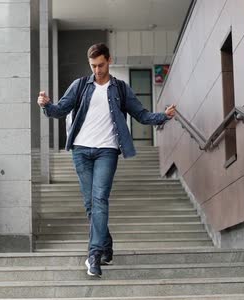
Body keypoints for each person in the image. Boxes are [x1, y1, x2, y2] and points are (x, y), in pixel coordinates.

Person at [37, 43, 176, 278]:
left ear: (109, 60)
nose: (97, 70)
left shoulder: (120, 89)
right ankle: (107, 247)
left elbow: (141, 115)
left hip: (107, 151)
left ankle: (94, 255)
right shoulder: (80, 85)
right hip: (81, 150)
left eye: (101, 65)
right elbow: (60, 109)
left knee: (99, 199)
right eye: (93, 65)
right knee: (91, 205)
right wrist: (46, 105)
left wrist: (164, 116)